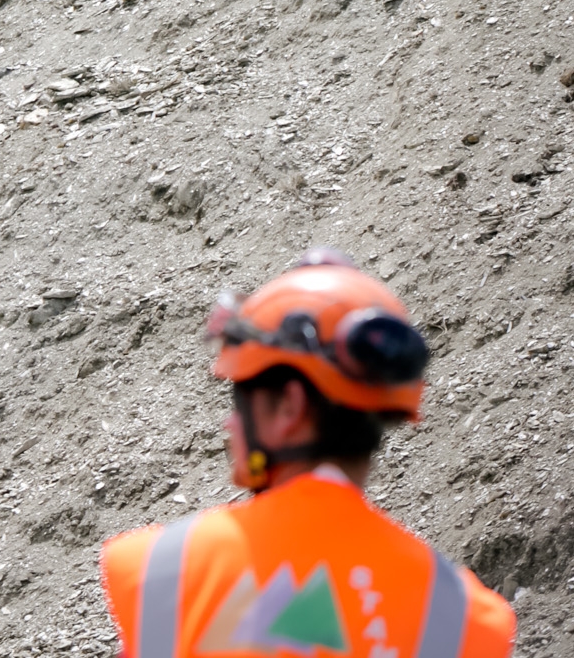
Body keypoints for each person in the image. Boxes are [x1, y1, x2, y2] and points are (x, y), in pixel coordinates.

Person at [101, 251, 514, 658]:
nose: (230, 425)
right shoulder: (465, 619)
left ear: (289, 407)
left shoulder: (161, 569)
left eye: (238, 398)